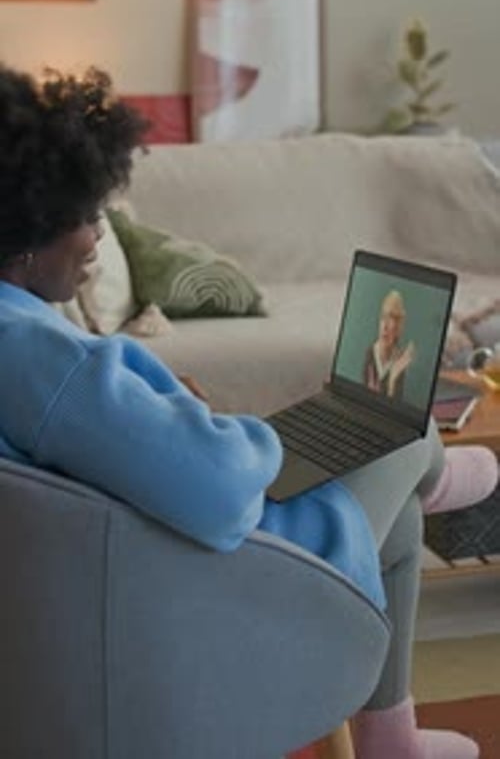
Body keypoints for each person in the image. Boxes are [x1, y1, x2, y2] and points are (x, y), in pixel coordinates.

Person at [0, 63, 497, 759]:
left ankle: (393, 739)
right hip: (229, 566)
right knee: (398, 422)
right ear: (28, 229)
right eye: (86, 217)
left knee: (395, 501)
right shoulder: (43, 359)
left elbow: (113, 442)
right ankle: (436, 471)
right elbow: (229, 492)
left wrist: (179, 419)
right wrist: (241, 437)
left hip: (115, 568)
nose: (97, 237)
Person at [364, 289, 415, 399]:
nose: (384, 327)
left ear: (398, 330)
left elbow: (394, 411)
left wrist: (392, 381)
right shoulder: (370, 353)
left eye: (392, 321)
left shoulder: (399, 363)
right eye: (383, 318)